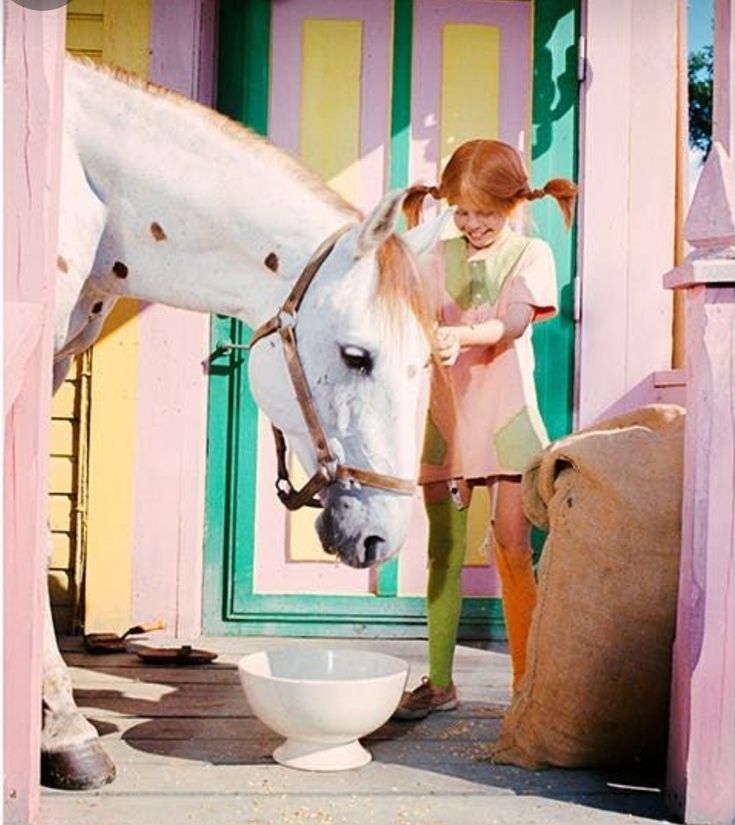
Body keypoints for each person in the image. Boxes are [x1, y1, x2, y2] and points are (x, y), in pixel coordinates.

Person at [393, 139, 577, 720]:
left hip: (508, 421)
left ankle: (529, 689)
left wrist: (460, 335)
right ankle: (439, 682)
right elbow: (410, 315)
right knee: (443, 552)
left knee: (513, 549)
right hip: (448, 419)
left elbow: (514, 323)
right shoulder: (434, 255)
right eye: (462, 212)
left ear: (514, 203)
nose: (473, 224)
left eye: (486, 213)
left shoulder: (531, 252)